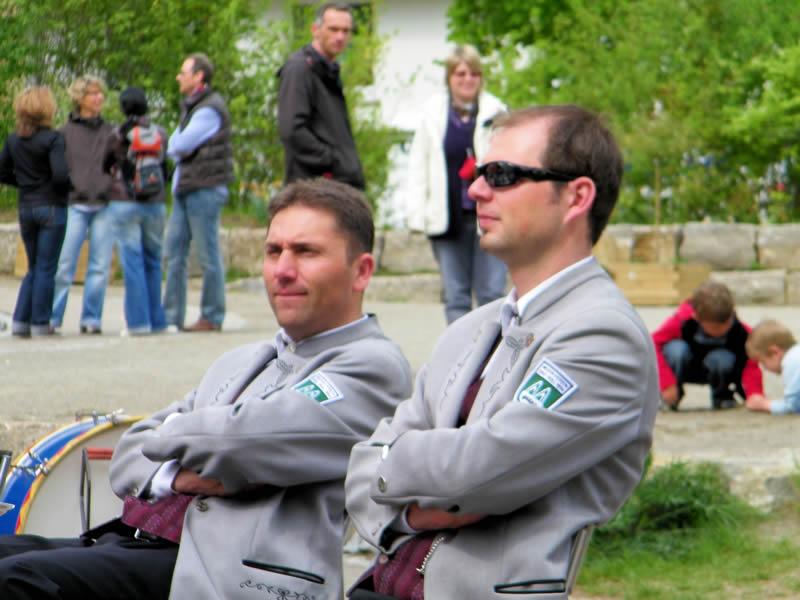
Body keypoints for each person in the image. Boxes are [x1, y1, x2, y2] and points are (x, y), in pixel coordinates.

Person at [0, 177, 413, 600]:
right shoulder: (243, 359)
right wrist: (180, 474)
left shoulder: (373, 366)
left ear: (361, 271)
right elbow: (128, 453)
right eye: (274, 251)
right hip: (136, 542)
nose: (283, 270)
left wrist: (179, 436)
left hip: (222, 574)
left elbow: (241, 440)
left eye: (306, 252)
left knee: (14, 581)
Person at [344, 105, 660, 599]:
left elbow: (476, 471)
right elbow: (359, 470)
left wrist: (390, 463)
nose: (475, 190)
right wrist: (412, 511)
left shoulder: (604, 337)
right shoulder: (471, 329)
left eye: (502, 175)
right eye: (477, 173)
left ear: (577, 197)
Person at [406, 44, 508, 324]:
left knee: (492, 293)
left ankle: (493, 350)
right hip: (447, 218)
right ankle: (461, 350)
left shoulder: (497, 111)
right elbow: (418, 165)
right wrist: (416, 215)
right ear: (449, 77)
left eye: (474, 74)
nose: (467, 80)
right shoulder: (431, 114)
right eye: (460, 74)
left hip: (490, 216)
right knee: (456, 297)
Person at [163, 53, 234, 332]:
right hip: (187, 186)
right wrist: (176, 143)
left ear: (198, 76)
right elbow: (176, 142)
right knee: (174, 252)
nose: (178, 77)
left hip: (205, 188)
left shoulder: (209, 109)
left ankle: (212, 316)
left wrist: (175, 144)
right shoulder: (193, 107)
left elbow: (179, 145)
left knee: (207, 254)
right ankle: (171, 317)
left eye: (183, 73)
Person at [0, 87, 70, 337]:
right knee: (46, 267)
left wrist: (24, 183)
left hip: (26, 207)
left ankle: (21, 321)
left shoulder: (14, 139)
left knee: (33, 266)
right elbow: (60, 175)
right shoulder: (53, 139)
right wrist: (65, 188)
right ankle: (41, 322)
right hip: (51, 206)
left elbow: (2, 171)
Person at [51, 75, 118, 334]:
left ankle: (92, 319)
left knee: (100, 267)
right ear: (80, 98)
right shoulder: (63, 133)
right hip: (74, 204)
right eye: (93, 93)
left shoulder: (111, 131)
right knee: (64, 264)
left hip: (104, 205)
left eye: (101, 93)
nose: (99, 97)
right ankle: (53, 318)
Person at [103, 86, 169, 336]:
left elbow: (105, 164)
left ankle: (138, 324)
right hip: (155, 202)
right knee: (153, 261)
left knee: (132, 263)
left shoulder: (117, 135)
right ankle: (157, 322)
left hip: (125, 202)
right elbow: (165, 165)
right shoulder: (159, 133)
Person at [277, 2, 365, 189]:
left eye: (346, 31)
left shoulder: (327, 70)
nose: (340, 37)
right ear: (315, 30)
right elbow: (292, 131)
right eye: (333, 29)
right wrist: (333, 162)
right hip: (315, 189)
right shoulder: (299, 68)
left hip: (336, 186)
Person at [652, 279, 765, 410]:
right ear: (696, 317)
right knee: (676, 350)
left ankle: (722, 396)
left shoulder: (741, 332)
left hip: (718, 370)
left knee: (722, 358)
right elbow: (653, 344)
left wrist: (754, 394)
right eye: (716, 328)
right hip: (687, 367)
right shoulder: (682, 321)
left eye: (727, 323)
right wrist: (666, 383)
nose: (724, 330)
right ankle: (671, 399)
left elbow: (751, 363)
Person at [744, 319, 800, 414]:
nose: (764, 368)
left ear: (775, 352)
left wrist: (765, 404)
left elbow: (792, 406)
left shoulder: (791, 362)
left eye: (763, 362)